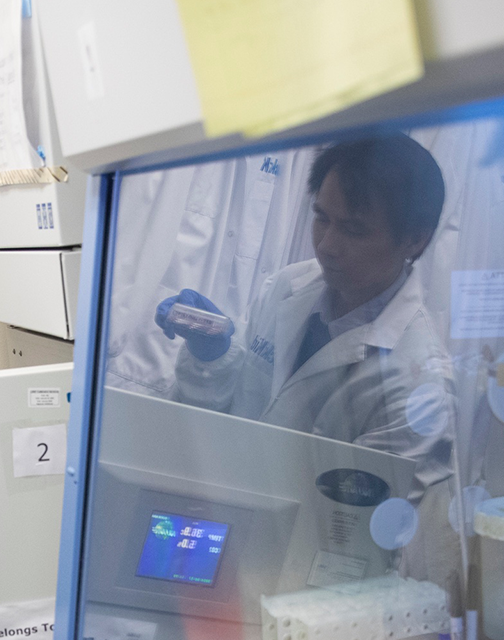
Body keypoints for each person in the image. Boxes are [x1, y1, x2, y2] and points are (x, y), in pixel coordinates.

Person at [156, 133, 455, 487]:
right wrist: (211, 360)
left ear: (414, 239)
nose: (327, 246)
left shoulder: (419, 388)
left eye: (353, 230)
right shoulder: (288, 286)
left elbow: (354, 526)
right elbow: (223, 422)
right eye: (321, 218)